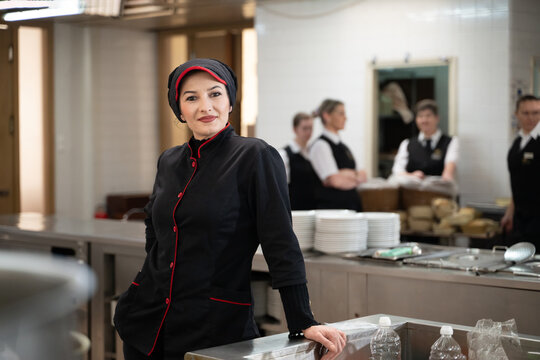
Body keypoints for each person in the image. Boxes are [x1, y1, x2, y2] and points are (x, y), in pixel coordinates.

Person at [113, 58, 346, 360]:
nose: (205, 106)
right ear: (179, 110)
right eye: (191, 98)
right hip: (145, 324)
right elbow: (154, 225)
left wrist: (302, 319)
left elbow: (280, 242)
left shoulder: (255, 156)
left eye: (215, 94)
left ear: (230, 102)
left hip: (213, 328)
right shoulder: (169, 160)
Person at [309, 99, 366, 211]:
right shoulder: (321, 145)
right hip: (333, 211)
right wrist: (355, 176)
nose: (345, 118)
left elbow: (363, 175)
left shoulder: (343, 147)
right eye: (341, 113)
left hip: (350, 208)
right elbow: (335, 181)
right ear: (327, 116)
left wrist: (347, 174)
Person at [501, 94, 540, 250]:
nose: (530, 117)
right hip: (520, 218)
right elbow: (517, 182)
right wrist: (510, 212)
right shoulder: (518, 142)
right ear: (516, 114)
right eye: (525, 113)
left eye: (536, 112)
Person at [391, 99, 459, 181]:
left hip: (439, 191)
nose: (424, 120)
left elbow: (448, 173)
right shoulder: (407, 144)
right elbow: (397, 172)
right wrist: (411, 176)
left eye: (428, 116)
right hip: (412, 191)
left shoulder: (451, 142)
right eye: (420, 116)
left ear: (437, 118)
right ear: (416, 119)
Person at [279, 112, 319, 210]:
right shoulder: (284, 154)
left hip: (312, 208)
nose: (308, 132)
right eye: (305, 128)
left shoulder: (312, 152)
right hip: (295, 210)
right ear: (295, 129)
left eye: (311, 128)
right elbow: (282, 187)